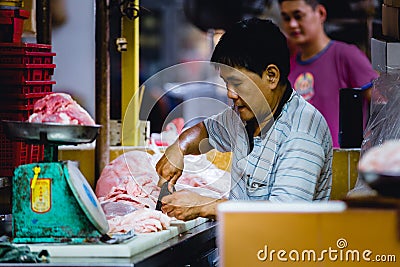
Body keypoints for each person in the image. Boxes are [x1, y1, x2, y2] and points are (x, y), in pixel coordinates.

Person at [155, 18, 333, 221]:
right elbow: (206, 131)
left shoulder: (302, 132)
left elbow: (286, 214)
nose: (230, 94)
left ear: (271, 76)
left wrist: (205, 205)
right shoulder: (244, 116)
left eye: (237, 83)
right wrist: (179, 147)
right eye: (226, 83)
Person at [278, 0, 379, 148]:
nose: (292, 24)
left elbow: (382, 106)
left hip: (341, 163)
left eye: (298, 16)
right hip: (301, 163)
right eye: (286, 18)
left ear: (320, 13)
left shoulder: (345, 55)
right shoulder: (288, 67)